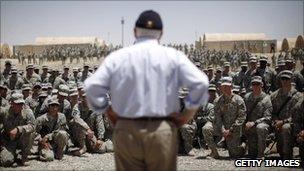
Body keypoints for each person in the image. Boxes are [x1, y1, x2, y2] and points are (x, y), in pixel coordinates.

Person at [84, 10, 209, 170]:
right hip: (160, 130)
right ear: (161, 34)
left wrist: (108, 110)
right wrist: (186, 115)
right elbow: (201, 83)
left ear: (135, 32)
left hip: (126, 128)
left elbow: (92, 87)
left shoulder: (118, 57)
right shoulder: (172, 56)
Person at [0, 93, 35, 166]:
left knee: (31, 133)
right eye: (17, 103)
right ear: (11, 103)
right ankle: (14, 154)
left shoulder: (28, 111)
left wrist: (18, 129)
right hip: (9, 140)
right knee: (6, 161)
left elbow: (33, 126)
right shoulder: (4, 112)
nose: (20, 106)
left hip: (22, 140)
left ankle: (24, 156)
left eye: (21, 103)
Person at [244, 76, 272, 158]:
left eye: (257, 84)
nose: (255, 86)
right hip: (249, 126)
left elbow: (268, 117)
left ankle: (261, 154)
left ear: (261, 85)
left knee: (261, 127)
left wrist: (254, 122)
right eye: (253, 84)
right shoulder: (247, 97)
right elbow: (243, 112)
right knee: (251, 153)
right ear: (251, 85)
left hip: (261, 125)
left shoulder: (266, 99)